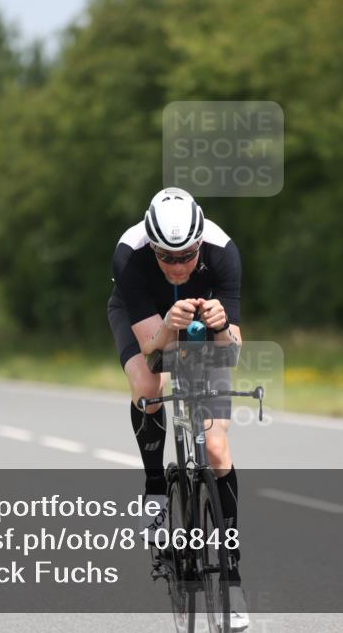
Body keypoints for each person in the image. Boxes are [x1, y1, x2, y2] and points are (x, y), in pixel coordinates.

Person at [108, 187, 248, 629]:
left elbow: (232, 354)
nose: (178, 266)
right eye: (167, 257)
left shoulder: (223, 252)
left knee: (216, 450)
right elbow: (152, 355)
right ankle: (154, 488)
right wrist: (169, 329)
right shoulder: (129, 257)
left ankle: (233, 575)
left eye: (187, 255)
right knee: (150, 387)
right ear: (151, 246)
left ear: (200, 241)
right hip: (148, 320)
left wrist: (222, 327)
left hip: (206, 329)